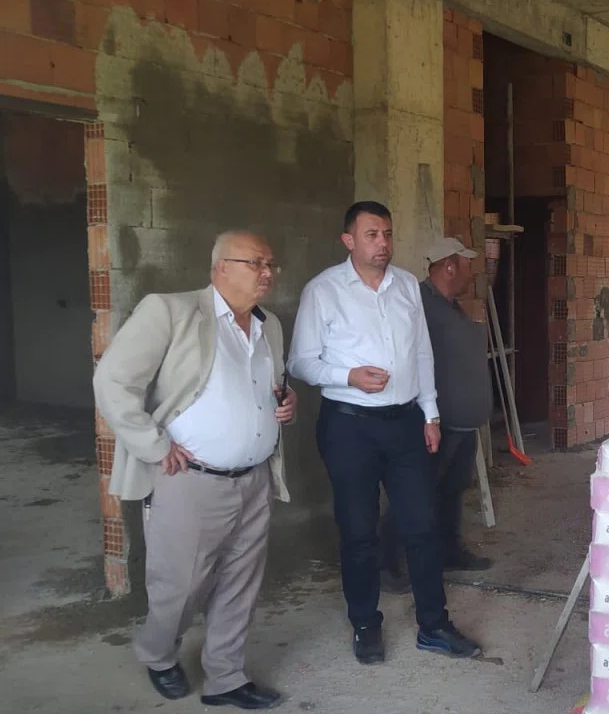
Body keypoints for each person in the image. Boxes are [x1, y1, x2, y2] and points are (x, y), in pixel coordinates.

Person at [93, 231, 295, 709]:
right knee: (179, 587)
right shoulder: (171, 312)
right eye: (255, 263)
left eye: (271, 264)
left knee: (240, 586)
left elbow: (266, 388)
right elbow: (113, 380)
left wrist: (286, 400)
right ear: (220, 267)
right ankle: (158, 654)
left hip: (254, 477)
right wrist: (153, 444)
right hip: (190, 480)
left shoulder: (269, 325)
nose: (267, 273)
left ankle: (226, 676)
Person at [288, 202, 481, 665]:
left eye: (388, 234)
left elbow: (422, 354)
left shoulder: (406, 288)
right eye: (372, 235)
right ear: (348, 240)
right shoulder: (323, 291)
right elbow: (300, 362)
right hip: (349, 426)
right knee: (358, 530)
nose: (383, 244)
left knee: (423, 524)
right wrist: (348, 375)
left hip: (405, 424)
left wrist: (430, 414)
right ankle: (365, 623)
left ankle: (433, 625)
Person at [380, 237, 494, 594]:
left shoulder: (451, 306)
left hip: (462, 422)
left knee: (452, 490)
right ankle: (388, 564)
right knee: (416, 494)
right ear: (449, 266)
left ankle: (449, 551)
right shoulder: (419, 303)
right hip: (434, 423)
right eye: (467, 265)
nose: (471, 273)